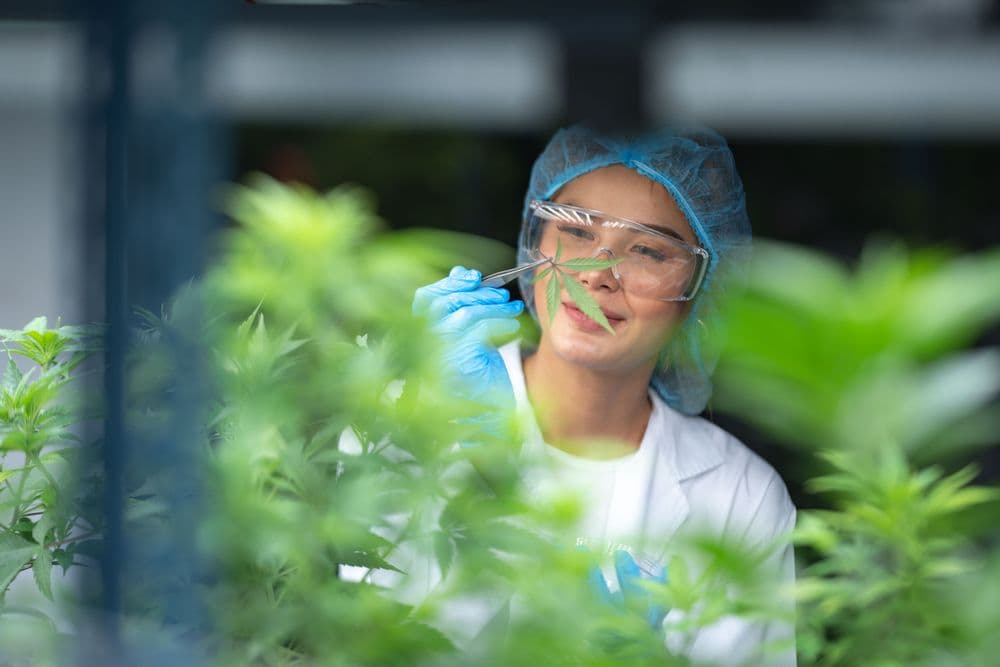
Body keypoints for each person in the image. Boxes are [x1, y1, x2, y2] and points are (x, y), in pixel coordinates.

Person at [352, 125, 797, 666]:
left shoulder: (740, 495)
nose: (597, 274)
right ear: (533, 242)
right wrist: (477, 463)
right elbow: (366, 638)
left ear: (700, 292)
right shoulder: (399, 424)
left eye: (650, 250)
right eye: (578, 231)